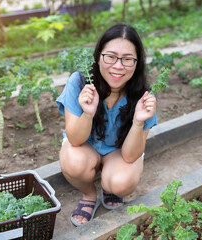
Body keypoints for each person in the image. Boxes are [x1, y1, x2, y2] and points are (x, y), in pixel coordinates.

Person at [56, 23, 157, 226]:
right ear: (99, 55)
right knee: (74, 163)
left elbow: (130, 156)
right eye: (110, 56)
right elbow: (75, 140)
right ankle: (89, 194)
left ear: (137, 63)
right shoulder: (80, 82)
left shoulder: (143, 95)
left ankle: (109, 186)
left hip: (120, 151)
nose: (118, 66)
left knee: (120, 182)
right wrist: (88, 113)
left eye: (127, 59)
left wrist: (138, 122)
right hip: (86, 146)